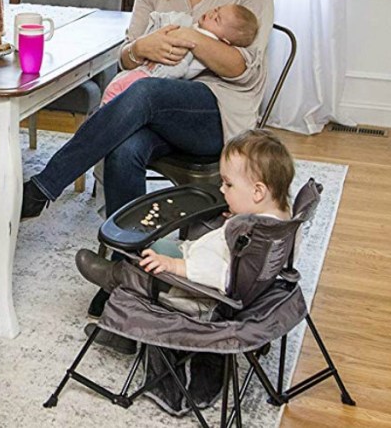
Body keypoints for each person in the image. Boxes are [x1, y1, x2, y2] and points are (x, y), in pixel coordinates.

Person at [0, 0, 275, 319]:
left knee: (144, 95)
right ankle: (127, 276)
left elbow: (245, 69)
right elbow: (127, 57)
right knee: (124, 147)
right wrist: (143, 46)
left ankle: (41, 189)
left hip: (218, 114)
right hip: (157, 108)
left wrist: (192, 39)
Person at [74, 129, 295, 352]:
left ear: (258, 192)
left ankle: (114, 279)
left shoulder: (247, 234)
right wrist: (241, 215)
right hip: (229, 281)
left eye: (228, 184)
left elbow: (222, 275)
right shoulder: (278, 223)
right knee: (153, 248)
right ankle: (122, 333)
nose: (221, 189)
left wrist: (174, 266)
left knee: (139, 273)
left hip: (203, 295)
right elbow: (248, 264)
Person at [100, 4, 259, 105]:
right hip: (147, 73)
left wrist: (185, 35)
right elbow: (124, 57)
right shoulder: (194, 26)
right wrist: (140, 47)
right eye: (216, 9)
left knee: (120, 92)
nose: (211, 14)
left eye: (216, 19)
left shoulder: (208, 42)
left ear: (225, 40)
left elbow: (180, 66)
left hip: (156, 78)